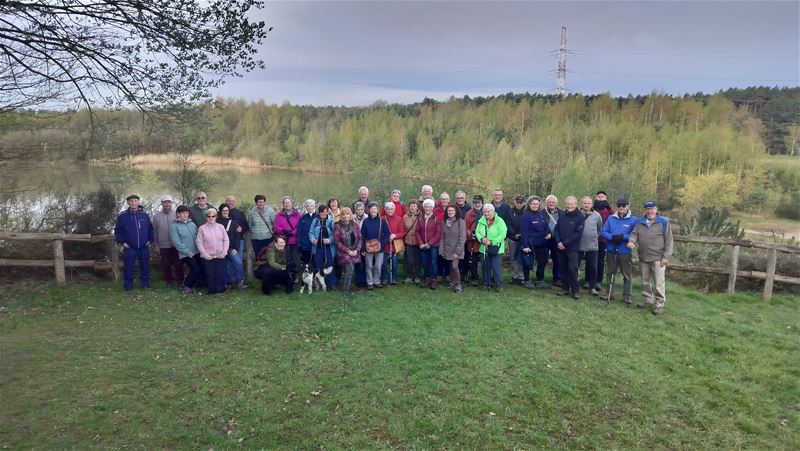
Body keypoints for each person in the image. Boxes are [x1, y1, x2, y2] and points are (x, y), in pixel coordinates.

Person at [627, 201, 674, 315]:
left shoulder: (663, 222)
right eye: (648, 209)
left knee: (659, 283)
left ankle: (659, 305)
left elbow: (669, 240)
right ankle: (648, 300)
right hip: (643, 257)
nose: (650, 211)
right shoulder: (640, 221)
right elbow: (634, 234)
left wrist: (666, 256)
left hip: (658, 258)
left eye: (652, 209)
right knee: (645, 282)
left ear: (656, 210)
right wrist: (631, 241)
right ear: (645, 210)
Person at [600, 199, 637, 304]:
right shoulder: (611, 218)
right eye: (619, 205)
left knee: (626, 274)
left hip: (624, 250)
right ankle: (609, 293)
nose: (621, 207)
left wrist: (623, 237)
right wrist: (612, 237)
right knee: (610, 272)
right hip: (611, 249)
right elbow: (603, 232)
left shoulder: (633, 220)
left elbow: (635, 234)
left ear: (627, 206)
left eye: (624, 206)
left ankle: (627, 296)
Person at [114, 194, 154, 291]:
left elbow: (150, 229)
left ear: (138, 202)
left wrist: (150, 240)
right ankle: (128, 286)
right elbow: (117, 231)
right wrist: (122, 243)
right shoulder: (122, 216)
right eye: (131, 201)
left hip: (144, 246)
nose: (133, 203)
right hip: (129, 247)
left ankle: (145, 284)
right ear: (128, 203)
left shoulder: (144, 215)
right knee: (128, 268)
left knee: (145, 267)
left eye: (135, 201)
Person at [553, 196, 585, 299]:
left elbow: (578, 233)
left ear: (576, 205)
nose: (570, 206)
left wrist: (565, 243)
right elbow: (556, 229)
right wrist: (558, 242)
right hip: (560, 247)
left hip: (572, 248)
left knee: (572, 270)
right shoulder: (562, 215)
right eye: (568, 204)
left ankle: (575, 291)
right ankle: (565, 289)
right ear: (565, 204)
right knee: (562, 269)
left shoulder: (580, 217)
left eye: (572, 204)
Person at [519, 196, 551, 289]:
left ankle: (540, 280)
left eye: (537, 204)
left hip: (541, 243)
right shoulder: (526, 216)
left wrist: (548, 233)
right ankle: (527, 280)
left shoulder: (541, 215)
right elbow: (523, 231)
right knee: (528, 262)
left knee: (543, 261)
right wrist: (525, 245)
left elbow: (545, 226)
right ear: (529, 204)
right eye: (533, 204)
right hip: (530, 243)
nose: (535, 205)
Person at [196, 207, 229, 295]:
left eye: (213, 216)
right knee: (210, 274)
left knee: (220, 273)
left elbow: (226, 240)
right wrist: (205, 255)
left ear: (216, 217)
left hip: (220, 255)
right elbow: (199, 242)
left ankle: (220, 290)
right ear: (206, 217)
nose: (211, 218)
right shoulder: (202, 228)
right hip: (208, 257)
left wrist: (224, 252)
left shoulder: (221, 227)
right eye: (209, 216)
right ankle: (211, 291)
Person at [475, 203, 507, 292]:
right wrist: (481, 239)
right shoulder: (481, 220)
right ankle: (486, 284)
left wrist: (492, 241)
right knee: (485, 267)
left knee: (496, 268)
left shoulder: (500, 221)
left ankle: (499, 285)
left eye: (488, 212)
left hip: (496, 249)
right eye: (484, 212)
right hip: (484, 248)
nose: (486, 214)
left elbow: (503, 234)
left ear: (493, 212)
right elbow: (477, 232)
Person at [152, 194, 183, 287]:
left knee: (178, 264)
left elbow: (181, 229)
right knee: (166, 265)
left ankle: (180, 281)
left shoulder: (177, 215)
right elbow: (154, 232)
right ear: (162, 203)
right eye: (165, 202)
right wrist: (156, 246)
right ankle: (169, 281)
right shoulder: (156, 216)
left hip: (176, 245)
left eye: (169, 202)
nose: (167, 204)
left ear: (172, 203)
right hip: (163, 245)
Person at [170, 205, 201, 294]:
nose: (185, 215)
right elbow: (176, 242)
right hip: (186, 253)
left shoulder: (192, 224)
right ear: (178, 214)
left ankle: (194, 285)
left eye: (186, 213)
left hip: (197, 251)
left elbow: (198, 236)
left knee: (200, 268)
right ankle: (186, 286)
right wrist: (187, 251)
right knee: (196, 269)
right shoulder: (174, 226)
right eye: (182, 213)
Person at [361, 202, 390, 290]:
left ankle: (377, 281)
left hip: (379, 247)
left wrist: (382, 243)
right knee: (369, 265)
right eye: (371, 209)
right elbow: (362, 235)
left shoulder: (382, 221)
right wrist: (363, 248)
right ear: (369, 210)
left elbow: (387, 233)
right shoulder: (365, 221)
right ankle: (370, 282)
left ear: (377, 210)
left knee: (378, 265)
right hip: (368, 246)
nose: (373, 210)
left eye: (375, 209)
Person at [334, 207, 362, 295]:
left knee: (350, 270)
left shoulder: (355, 224)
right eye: (343, 214)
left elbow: (360, 238)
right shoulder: (337, 226)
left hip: (354, 251)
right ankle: (345, 290)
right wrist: (348, 251)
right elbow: (337, 242)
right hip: (343, 252)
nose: (345, 216)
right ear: (341, 216)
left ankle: (348, 287)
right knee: (350, 269)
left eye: (347, 214)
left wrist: (357, 250)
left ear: (350, 215)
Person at [578, 195, 603, 296]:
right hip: (578, 245)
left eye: (589, 203)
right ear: (582, 204)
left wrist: (593, 236)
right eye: (585, 203)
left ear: (592, 204)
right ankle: (574, 285)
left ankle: (592, 287)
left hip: (592, 246)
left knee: (593, 267)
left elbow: (599, 229)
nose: (587, 205)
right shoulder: (577, 214)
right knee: (575, 266)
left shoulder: (597, 215)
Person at [217, 204, 246, 289]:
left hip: (231, 248)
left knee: (238, 263)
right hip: (222, 248)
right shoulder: (217, 222)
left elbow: (237, 236)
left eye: (227, 210)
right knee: (226, 266)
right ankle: (227, 283)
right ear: (220, 211)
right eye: (223, 211)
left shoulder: (233, 221)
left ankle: (240, 281)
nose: (225, 212)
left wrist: (236, 249)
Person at [439, 205, 466, 292]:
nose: (450, 212)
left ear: (456, 212)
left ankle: (458, 284)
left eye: (452, 211)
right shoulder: (444, 222)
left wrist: (457, 251)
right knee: (450, 265)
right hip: (447, 248)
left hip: (457, 249)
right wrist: (441, 250)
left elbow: (462, 238)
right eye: (449, 211)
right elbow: (442, 237)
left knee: (455, 266)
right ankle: (453, 281)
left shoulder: (460, 222)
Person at [309, 205, 337, 289]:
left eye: (325, 212)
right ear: (319, 212)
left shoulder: (331, 221)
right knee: (318, 266)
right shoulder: (315, 221)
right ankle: (319, 284)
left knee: (330, 265)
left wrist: (329, 240)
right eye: (321, 212)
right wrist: (313, 239)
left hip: (328, 248)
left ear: (327, 212)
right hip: (317, 248)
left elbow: (335, 235)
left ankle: (332, 284)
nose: (323, 214)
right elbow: (310, 233)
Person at [416, 198, 441, 289]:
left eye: (429, 206)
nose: (427, 208)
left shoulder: (436, 219)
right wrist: (420, 243)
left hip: (433, 245)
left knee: (433, 262)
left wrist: (429, 243)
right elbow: (417, 232)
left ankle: (434, 280)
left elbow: (438, 233)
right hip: (422, 245)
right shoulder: (420, 218)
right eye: (426, 206)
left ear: (432, 208)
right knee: (425, 262)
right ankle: (427, 279)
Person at [274, 196, 301, 273]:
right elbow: (276, 227)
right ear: (283, 204)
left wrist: (292, 233)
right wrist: (283, 231)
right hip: (284, 240)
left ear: (292, 203)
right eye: (285, 203)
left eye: (289, 202)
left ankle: (295, 273)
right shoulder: (279, 215)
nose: (287, 204)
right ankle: (288, 273)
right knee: (287, 258)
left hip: (295, 239)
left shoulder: (298, 214)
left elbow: (300, 226)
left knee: (296, 257)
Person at [380, 202, 405, 285]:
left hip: (394, 245)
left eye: (391, 209)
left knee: (394, 263)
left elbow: (402, 232)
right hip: (384, 245)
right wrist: (386, 237)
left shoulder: (399, 219)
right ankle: (384, 278)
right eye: (388, 209)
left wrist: (395, 235)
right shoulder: (381, 219)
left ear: (394, 210)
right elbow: (379, 232)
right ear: (385, 210)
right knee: (383, 263)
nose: (390, 210)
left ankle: (394, 278)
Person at [542, 195, 563, 286]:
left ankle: (557, 278)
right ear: (546, 203)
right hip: (545, 239)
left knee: (557, 260)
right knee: (542, 260)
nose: (551, 204)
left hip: (557, 240)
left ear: (556, 203)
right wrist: (545, 233)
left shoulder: (562, 213)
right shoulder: (541, 212)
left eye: (553, 202)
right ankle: (540, 279)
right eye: (549, 202)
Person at [593, 190, 613, 287]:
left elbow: (613, 221)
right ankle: (589, 280)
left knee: (600, 261)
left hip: (603, 240)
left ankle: (598, 281)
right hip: (591, 239)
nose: (600, 198)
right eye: (599, 196)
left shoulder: (609, 210)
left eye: (603, 197)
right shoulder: (592, 207)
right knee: (591, 260)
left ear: (606, 198)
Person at [225, 195, 251, 265]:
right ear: (226, 202)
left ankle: (239, 276)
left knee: (238, 262)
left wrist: (241, 228)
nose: (231, 202)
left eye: (233, 201)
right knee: (227, 264)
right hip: (225, 241)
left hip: (238, 240)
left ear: (235, 203)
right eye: (229, 201)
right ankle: (229, 276)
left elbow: (247, 227)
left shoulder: (240, 213)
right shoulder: (221, 213)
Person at [464, 195, 483, 286]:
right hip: (473, 242)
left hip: (483, 242)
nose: (477, 204)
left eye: (478, 202)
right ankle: (474, 277)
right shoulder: (469, 213)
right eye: (475, 203)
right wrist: (470, 234)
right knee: (473, 261)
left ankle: (486, 277)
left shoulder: (486, 212)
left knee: (485, 260)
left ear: (482, 203)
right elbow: (466, 226)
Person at [507, 195, 526, 285]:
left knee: (521, 258)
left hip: (523, 239)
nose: (519, 204)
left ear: (524, 203)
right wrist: (514, 234)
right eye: (517, 202)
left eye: (521, 203)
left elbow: (527, 225)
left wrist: (521, 234)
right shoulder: (510, 211)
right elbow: (508, 224)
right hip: (512, 238)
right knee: (513, 258)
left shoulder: (526, 212)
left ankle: (521, 276)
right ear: (514, 202)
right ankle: (514, 276)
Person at [402, 199, 422, 284]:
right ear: (409, 207)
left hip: (418, 241)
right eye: (411, 206)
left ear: (417, 207)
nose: (413, 208)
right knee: (409, 260)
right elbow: (402, 229)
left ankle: (417, 276)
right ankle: (409, 275)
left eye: (414, 206)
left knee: (417, 260)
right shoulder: (405, 217)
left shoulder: (421, 216)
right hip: (408, 241)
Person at [352, 201, 368, 288]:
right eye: (358, 209)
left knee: (365, 262)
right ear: (355, 210)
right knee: (357, 263)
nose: (360, 211)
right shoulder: (352, 218)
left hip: (365, 243)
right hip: (355, 243)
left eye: (362, 209)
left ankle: (365, 280)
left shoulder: (367, 217)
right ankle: (358, 281)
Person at [297, 199, 317, 266]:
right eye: (308, 206)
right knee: (306, 262)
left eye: (311, 206)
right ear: (305, 207)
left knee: (315, 261)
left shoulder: (318, 217)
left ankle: (315, 274)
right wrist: (299, 243)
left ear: (314, 207)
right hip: (305, 243)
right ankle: (307, 275)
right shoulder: (303, 218)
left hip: (315, 242)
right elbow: (299, 231)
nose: (310, 207)